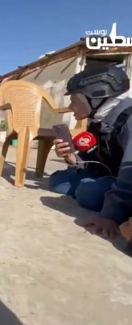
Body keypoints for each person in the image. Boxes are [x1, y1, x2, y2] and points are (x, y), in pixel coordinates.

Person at [48, 65, 132, 239]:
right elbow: (96, 159)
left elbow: (129, 173)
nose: (72, 106)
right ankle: (97, 187)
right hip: (111, 175)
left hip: (126, 183)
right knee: (58, 181)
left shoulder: (128, 119)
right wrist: (72, 158)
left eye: (74, 100)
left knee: (88, 193)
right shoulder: (100, 119)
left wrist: (111, 215)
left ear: (96, 96)